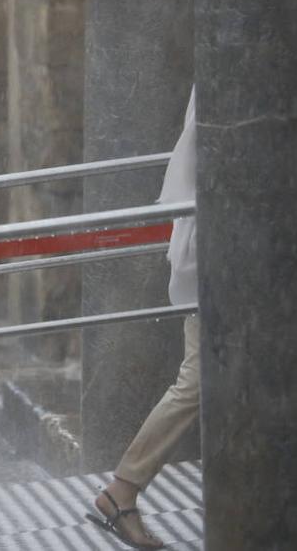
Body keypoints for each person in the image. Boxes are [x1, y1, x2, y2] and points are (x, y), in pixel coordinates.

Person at [89, 88, 198, 550]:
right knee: (198, 380)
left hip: (220, 245)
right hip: (214, 249)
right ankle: (123, 489)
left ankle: (124, 489)